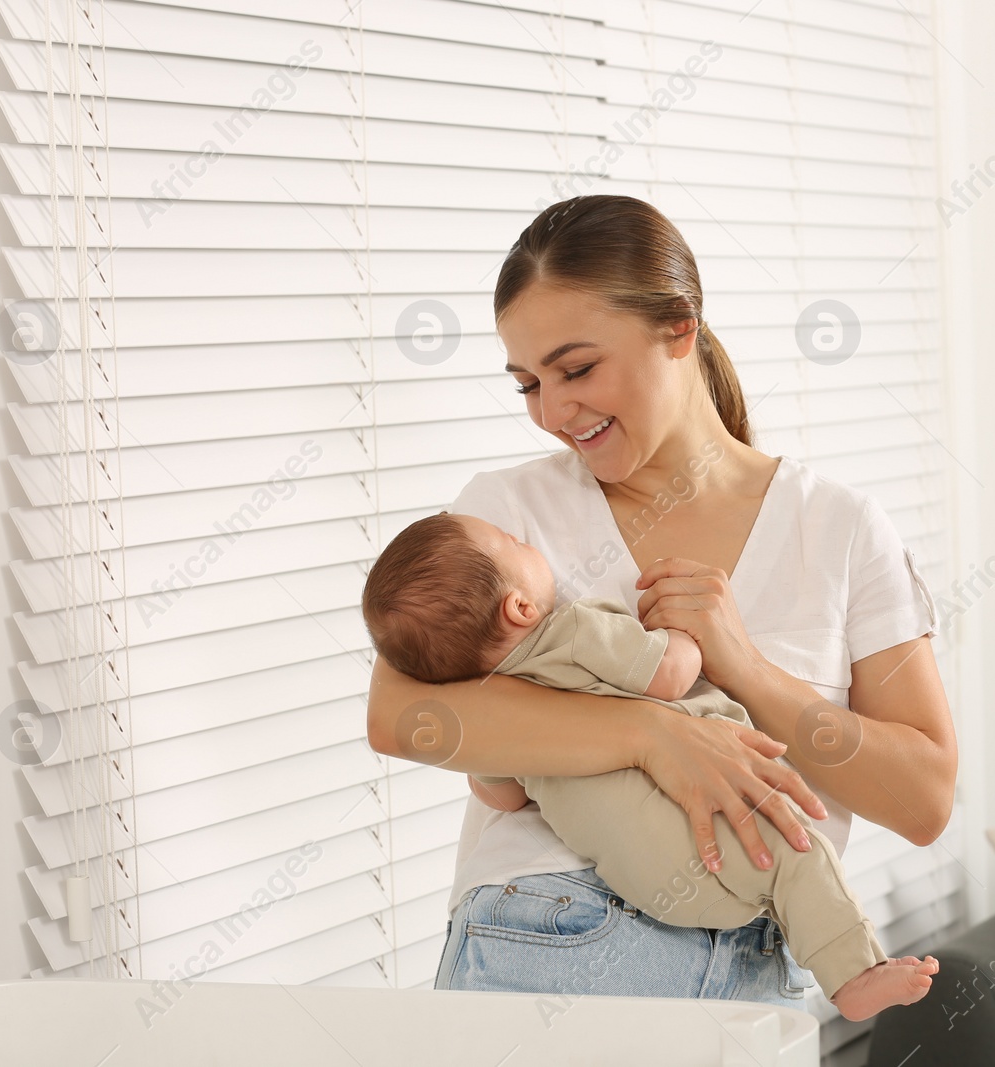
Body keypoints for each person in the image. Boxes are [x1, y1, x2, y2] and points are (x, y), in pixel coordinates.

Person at [365, 193, 957, 1010]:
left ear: (678, 326)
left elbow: (923, 798)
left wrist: (745, 668)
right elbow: (402, 717)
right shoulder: (505, 519)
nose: (553, 411)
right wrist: (650, 733)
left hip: (762, 954)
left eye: (576, 369)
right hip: (554, 933)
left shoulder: (840, 528)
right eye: (528, 384)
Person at [361, 511, 942, 1020]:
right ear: (519, 606)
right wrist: (683, 632)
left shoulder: (494, 708)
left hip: (633, 880)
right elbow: (667, 673)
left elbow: (504, 797)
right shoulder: (572, 627)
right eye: (515, 541)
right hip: (708, 853)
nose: (525, 541)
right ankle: (854, 975)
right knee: (799, 855)